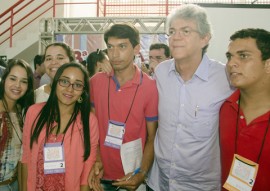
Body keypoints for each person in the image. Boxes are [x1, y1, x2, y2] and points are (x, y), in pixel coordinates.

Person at [147, 4, 234, 191]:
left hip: (200, 185)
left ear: (204, 38)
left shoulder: (225, 78)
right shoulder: (161, 72)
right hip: (160, 183)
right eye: (171, 31)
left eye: (185, 31)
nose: (175, 37)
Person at [88, 23, 158, 191]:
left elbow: (152, 137)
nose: (115, 54)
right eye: (110, 47)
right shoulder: (96, 82)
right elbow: (92, 129)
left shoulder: (150, 87)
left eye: (122, 46)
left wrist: (141, 173)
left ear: (136, 49)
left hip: (132, 177)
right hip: (98, 174)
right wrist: (95, 160)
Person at [21, 62, 99, 191]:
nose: (70, 89)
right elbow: (26, 158)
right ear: (56, 83)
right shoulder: (34, 113)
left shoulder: (89, 121)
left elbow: (87, 167)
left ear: (83, 92)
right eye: (64, 81)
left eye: (78, 85)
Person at [220, 28, 270, 191]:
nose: (231, 63)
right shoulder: (225, 108)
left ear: (268, 64)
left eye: (243, 56)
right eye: (229, 57)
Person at [0, 59, 34, 191]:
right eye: (13, 79)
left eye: (24, 81)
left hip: (14, 184)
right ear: (4, 80)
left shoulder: (21, 111)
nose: (17, 85)